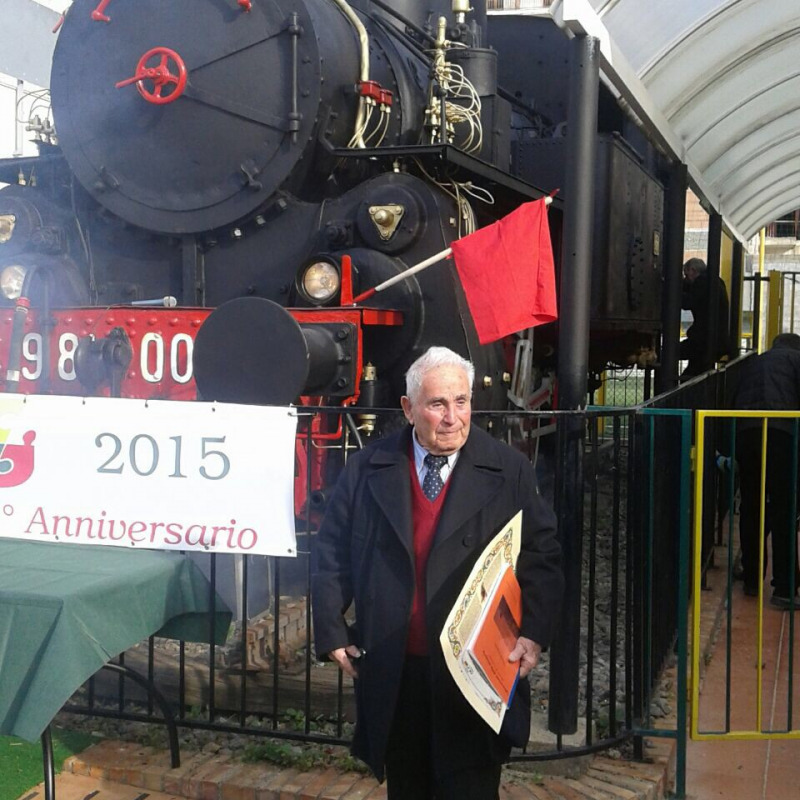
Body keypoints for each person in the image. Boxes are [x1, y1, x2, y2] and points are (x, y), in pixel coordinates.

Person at [312, 346, 563, 800]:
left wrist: (534, 634)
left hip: (473, 674)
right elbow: (332, 550)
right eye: (437, 404)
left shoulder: (509, 470)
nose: (452, 417)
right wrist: (331, 627)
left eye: (461, 402)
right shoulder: (369, 467)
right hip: (397, 668)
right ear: (409, 409)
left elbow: (542, 557)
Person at [733, 333, 800, 608]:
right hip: (782, 432)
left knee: (751, 505)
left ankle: (751, 579)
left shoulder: (755, 362)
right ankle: (783, 589)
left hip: (747, 432)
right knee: (785, 507)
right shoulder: (797, 360)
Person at [680, 257, 731, 378]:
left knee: (670, 354)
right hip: (716, 340)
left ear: (692, 270)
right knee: (696, 373)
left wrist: (672, 289)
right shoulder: (716, 281)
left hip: (703, 341)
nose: (686, 279)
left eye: (686, 275)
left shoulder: (702, 282)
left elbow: (688, 302)